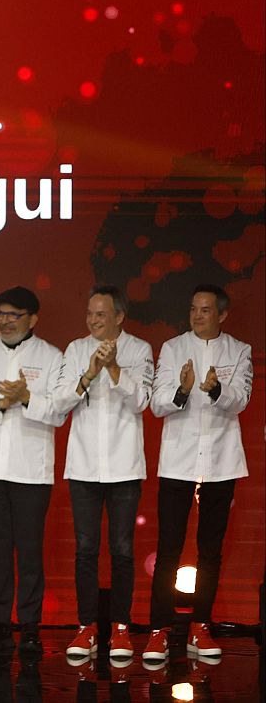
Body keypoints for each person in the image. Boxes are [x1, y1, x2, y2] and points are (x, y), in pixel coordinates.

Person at [144, 285, 253, 664]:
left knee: (210, 550)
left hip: (221, 462)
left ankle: (200, 626)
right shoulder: (174, 349)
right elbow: (158, 404)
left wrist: (216, 388)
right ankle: (159, 629)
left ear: (222, 315)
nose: (197, 316)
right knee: (169, 548)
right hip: (178, 461)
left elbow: (241, 399)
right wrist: (183, 390)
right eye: (193, 309)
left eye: (205, 310)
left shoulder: (239, 351)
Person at [52, 285, 153, 662]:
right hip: (84, 467)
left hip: (125, 466)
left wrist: (113, 369)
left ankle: (122, 628)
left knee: (123, 551)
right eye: (90, 314)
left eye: (102, 315)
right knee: (86, 551)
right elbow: (59, 404)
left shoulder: (139, 350)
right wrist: (87, 376)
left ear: (119, 317)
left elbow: (143, 400)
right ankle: (87, 627)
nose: (94, 320)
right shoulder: (76, 350)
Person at [0, 286, 64, 656]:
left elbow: (58, 411)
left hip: (31, 471)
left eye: (13, 315)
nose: (5, 321)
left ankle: (31, 625)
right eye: (0, 314)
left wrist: (27, 398)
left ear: (32, 319)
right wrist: (1, 403)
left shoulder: (52, 356)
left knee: (30, 550)